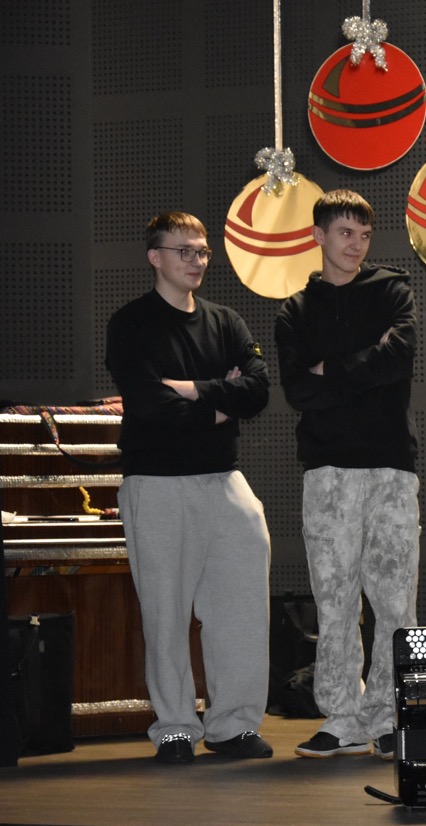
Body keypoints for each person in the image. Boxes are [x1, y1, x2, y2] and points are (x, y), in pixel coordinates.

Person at [106, 212, 273, 764]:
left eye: (202, 251)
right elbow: (149, 405)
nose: (197, 260)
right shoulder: (131, 324)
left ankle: (233, 726)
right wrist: (219, 401)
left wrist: (189, 389)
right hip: (156, 483)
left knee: (240, 609)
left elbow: (257, 390)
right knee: (166, 612)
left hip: (224, 479)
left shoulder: (226, 322)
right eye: (184, 251)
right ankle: (176, 727)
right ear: (155, 257)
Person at [275, 189, 420, 761]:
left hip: (391, 467)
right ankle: (342, 717)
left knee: (395, 602)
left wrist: (329, 370)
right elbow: (297, 390)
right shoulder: (295, 311)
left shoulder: (392, 291)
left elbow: (397, 357)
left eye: (363, 234)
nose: (355, 245)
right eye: (344, 233)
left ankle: (387, 716)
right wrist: (362, 365)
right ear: (318, 236)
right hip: (328, 471)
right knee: (334, 600)